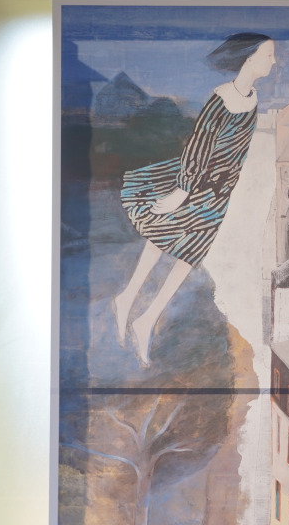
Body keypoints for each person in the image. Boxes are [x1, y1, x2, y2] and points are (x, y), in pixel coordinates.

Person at [113, 32, 276, 365]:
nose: (273, 61)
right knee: (164, 231)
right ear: (249, 59)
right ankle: (128, 297)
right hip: (196, 182)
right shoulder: (222, 98)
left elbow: (238, 151)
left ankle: (146, 318)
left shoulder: (252, 97)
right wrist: (181, 191)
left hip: (219, 193)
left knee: (190, 252)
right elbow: (198, 146)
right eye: (268, 55)